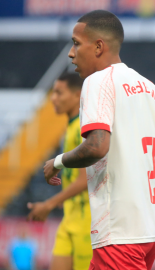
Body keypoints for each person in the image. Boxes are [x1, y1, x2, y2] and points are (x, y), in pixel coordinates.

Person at [42, 10, 155, 269]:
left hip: (119, 233)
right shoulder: (153, 92)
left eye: (76, 43)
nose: (71, 53)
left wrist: (57, 162)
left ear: (99, 46)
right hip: (149, 234)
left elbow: (97, 146)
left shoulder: (98, 82)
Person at [28, 73, 91, 270]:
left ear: (77, 95)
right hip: (70, 218)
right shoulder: (71, 126)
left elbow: (85, 180)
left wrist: (49, 204)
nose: (53, 98)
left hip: (87, 222)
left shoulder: (83, 126)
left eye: (58, 92)